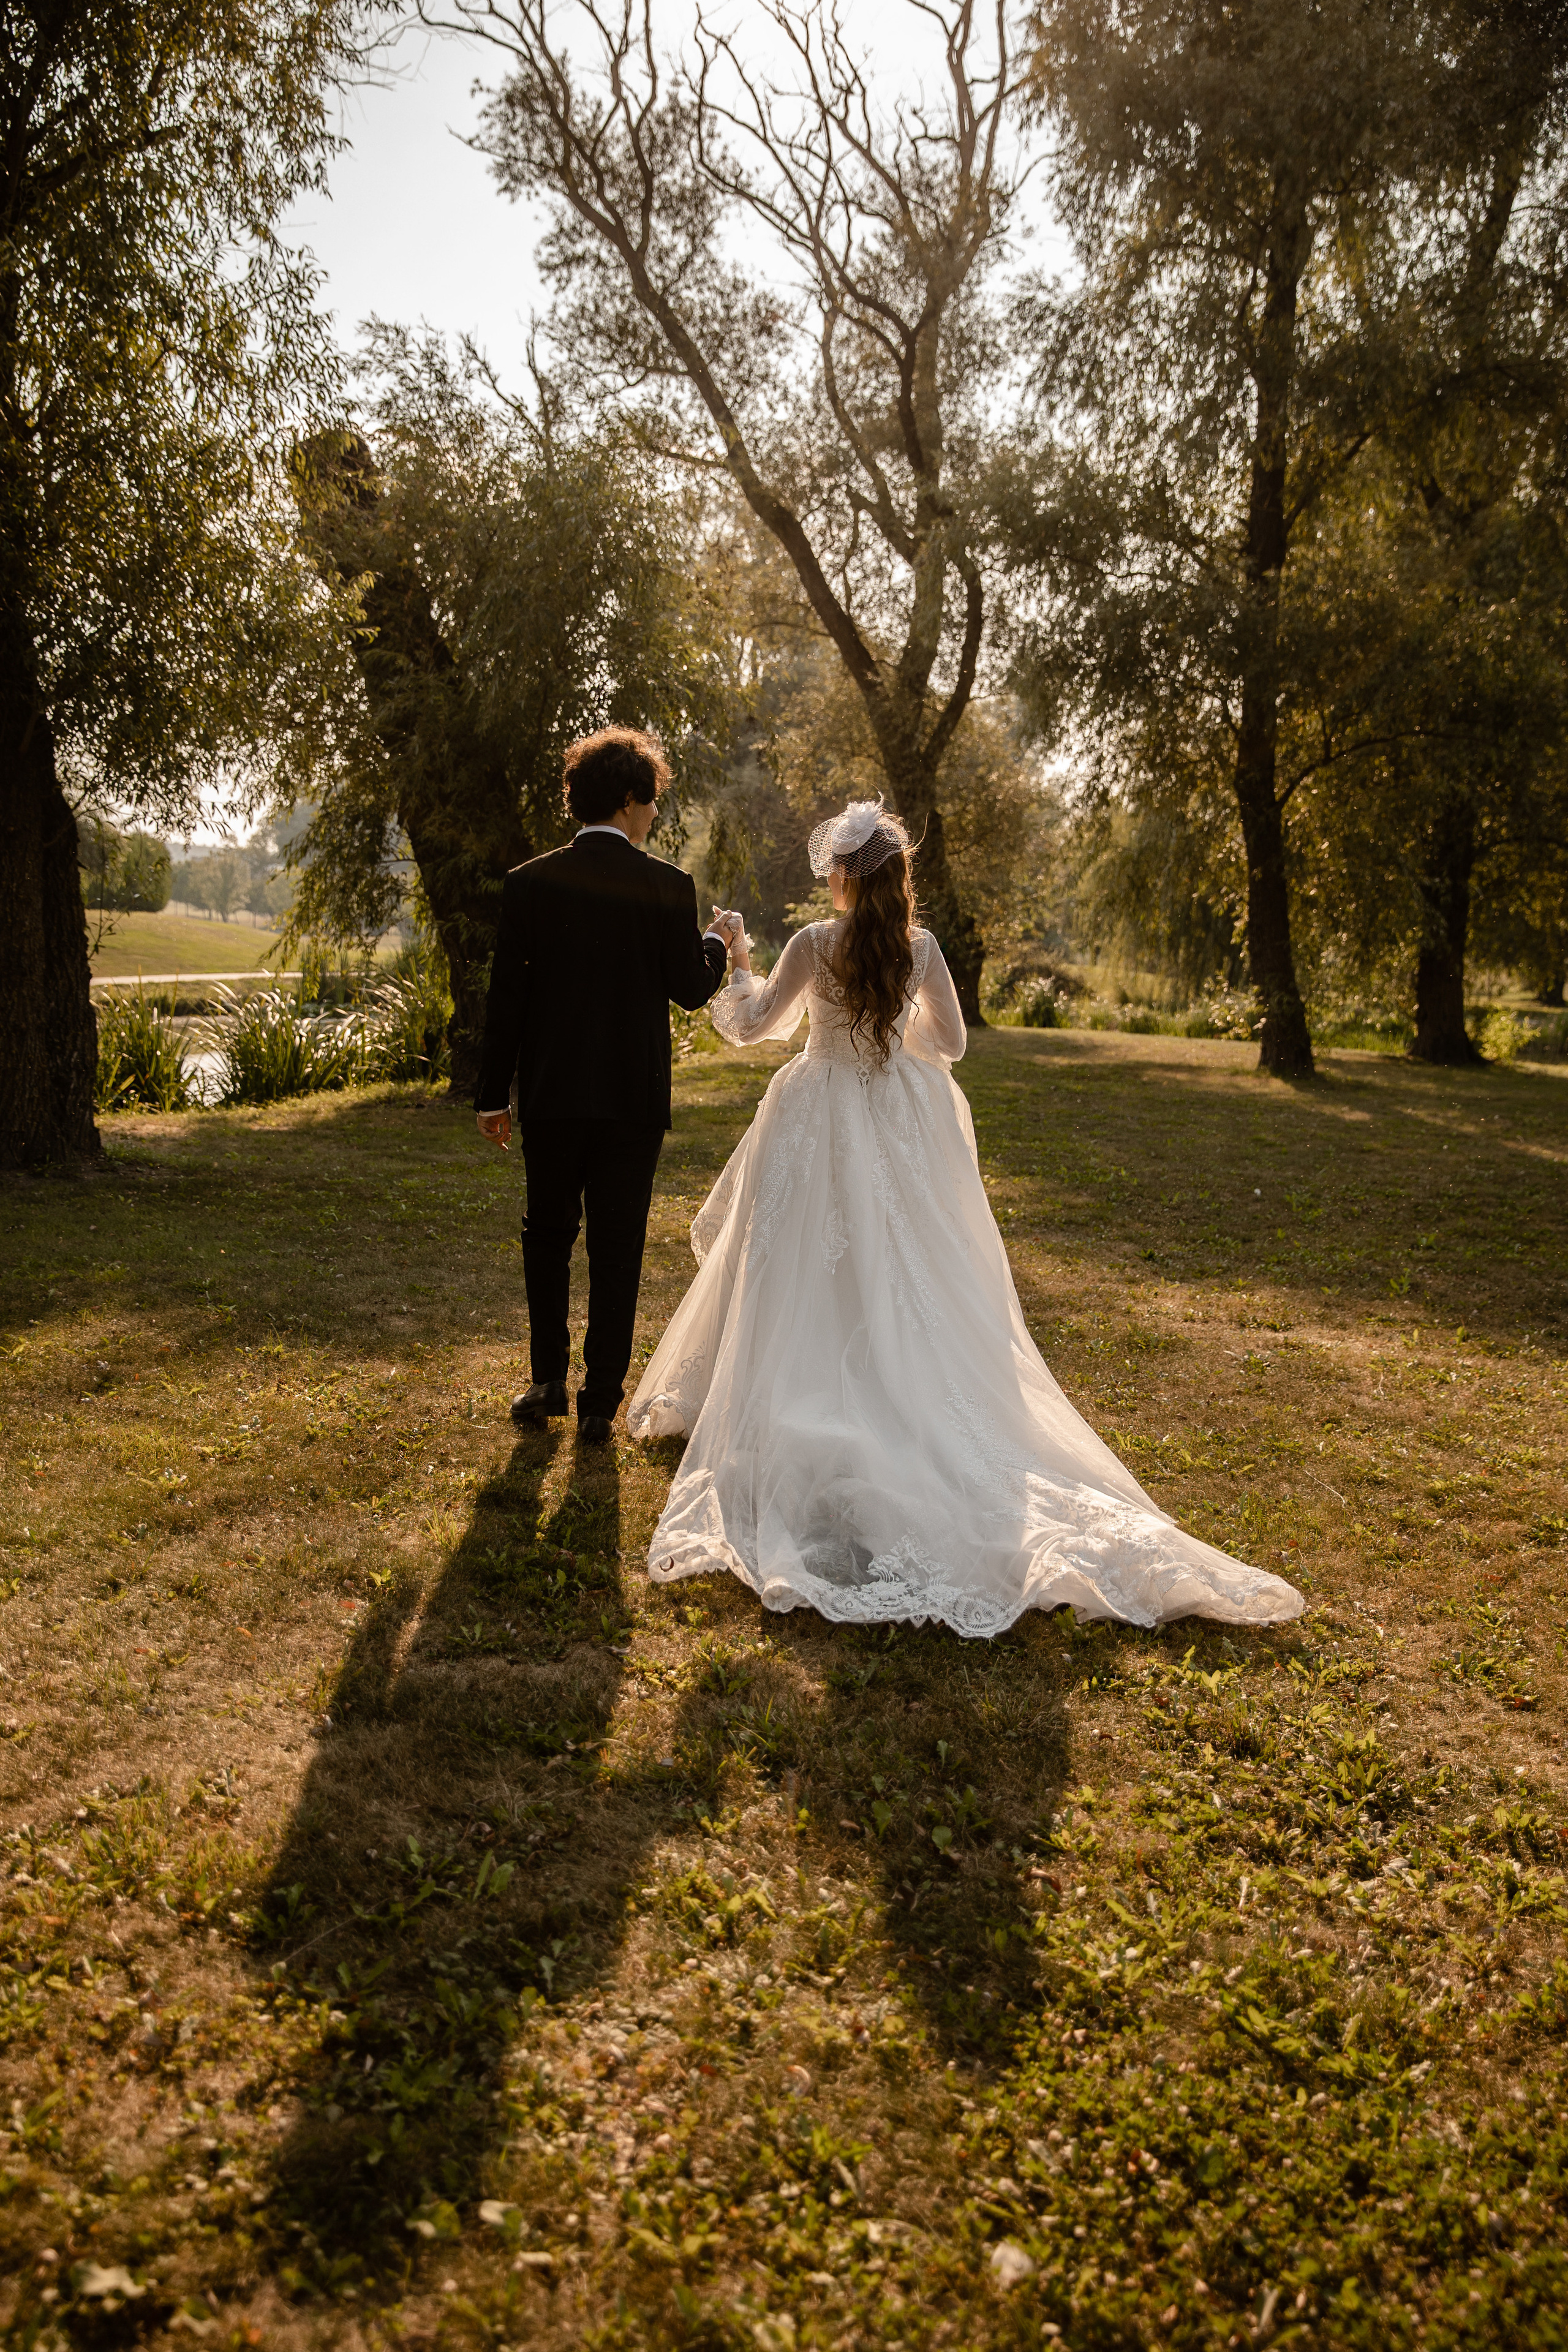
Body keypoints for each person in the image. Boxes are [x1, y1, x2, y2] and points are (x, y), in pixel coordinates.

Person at [628, 799, 1303, 1635]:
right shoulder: (920, 949)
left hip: (815, 1109)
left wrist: (736, 958)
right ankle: (895, 1398)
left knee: (803, 1263)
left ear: (844, 876)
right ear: (897, 877)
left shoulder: (811, 944)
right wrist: (892, 1027)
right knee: (902, 1265)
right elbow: (949, 1046)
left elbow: (754, 1025)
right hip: (894, 1118)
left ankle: (797, 1407)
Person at [474, 726, 739, 1443]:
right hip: (631, 1100)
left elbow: (507, 1002)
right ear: (627, 801)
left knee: (547, 1237)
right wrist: (716, 942)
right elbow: (689, 989)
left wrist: (494, 1095)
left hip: (553, 1096)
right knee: (617, 1247)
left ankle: (546, 1381)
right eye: (651, 802)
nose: (655, 815)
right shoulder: (666, 886)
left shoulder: (529, 883)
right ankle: (599, 1402)